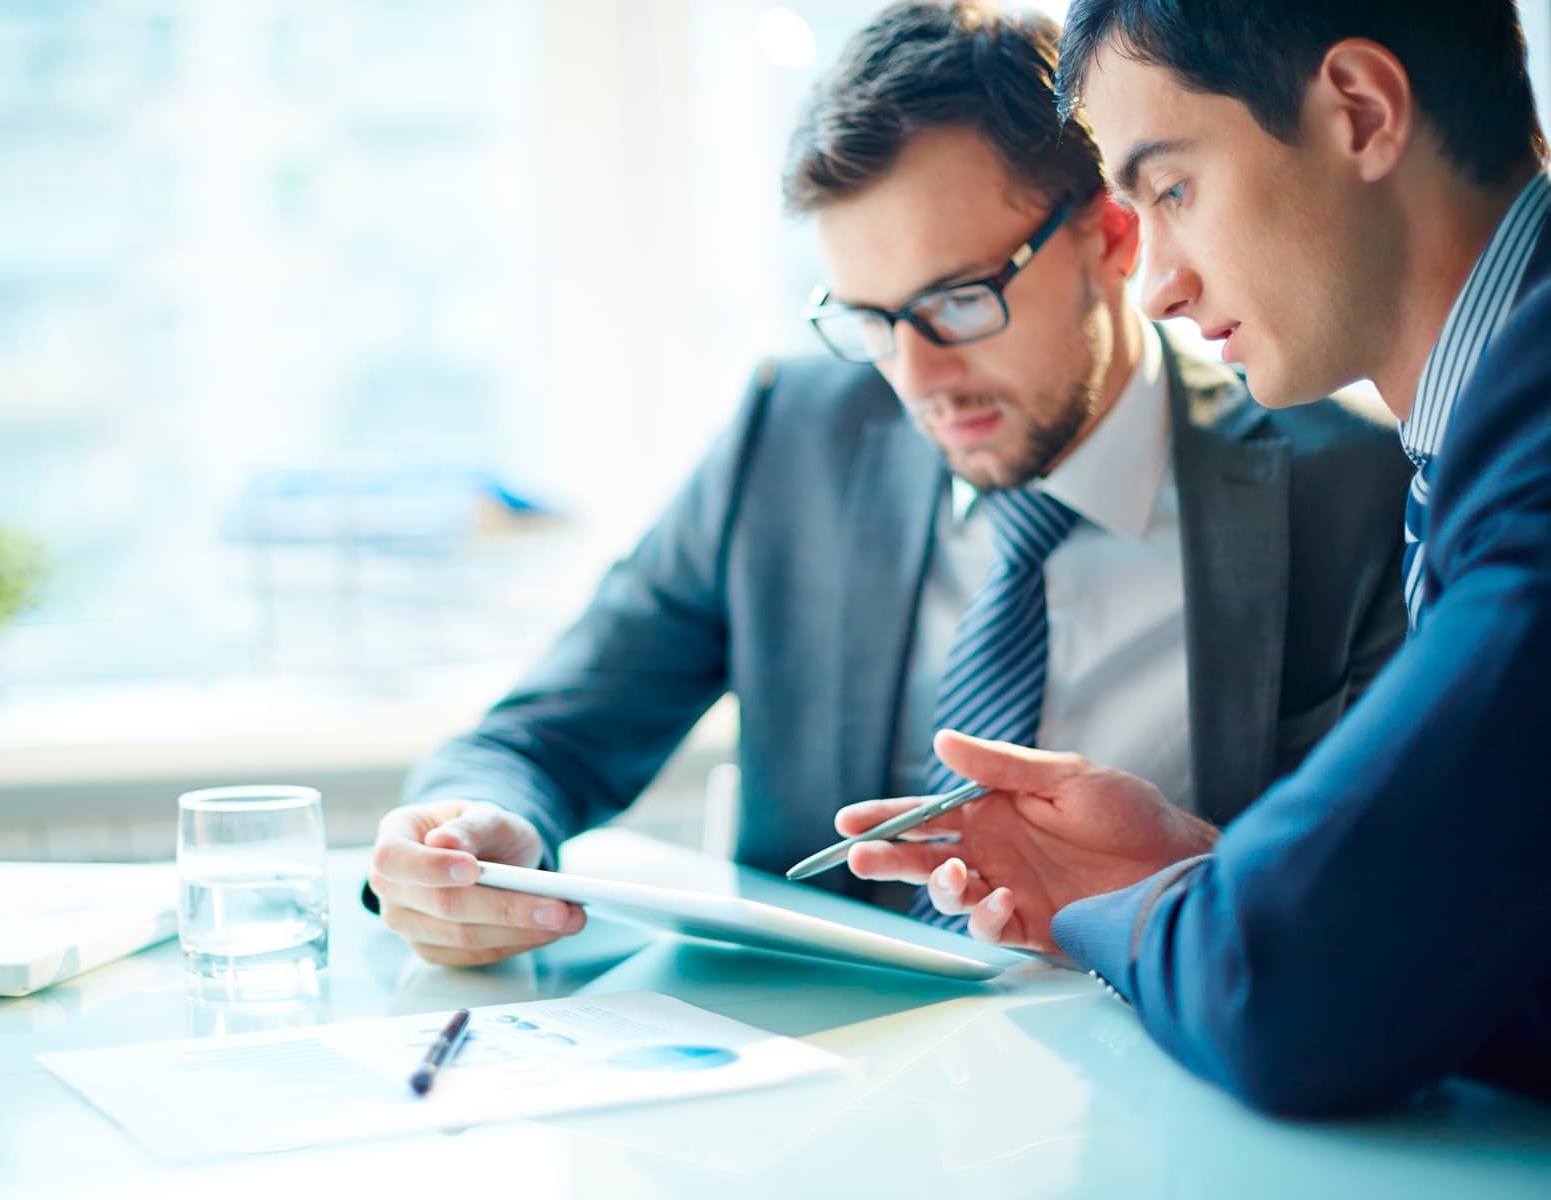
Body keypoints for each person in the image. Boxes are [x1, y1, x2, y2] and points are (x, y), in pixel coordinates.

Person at [364, 1, 1409, 970]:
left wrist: (1192, 876)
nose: (918, 380)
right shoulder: (794, 436)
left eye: (958, 302)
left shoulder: (1349, 491)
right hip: (828, 1071)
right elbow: (545, 732)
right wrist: (467, 833)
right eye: (870, 320)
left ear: (1112, 235)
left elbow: (1395, 892)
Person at [839, 0, 1551, 1116]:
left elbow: (1291, 991)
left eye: (1172, 189)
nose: (1157, 285)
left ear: (1363, 113)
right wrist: (1202, 879)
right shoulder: (1479, 432)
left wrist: (1166, 910)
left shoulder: (1530, 444)